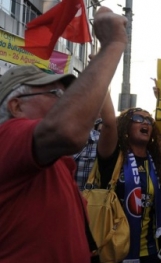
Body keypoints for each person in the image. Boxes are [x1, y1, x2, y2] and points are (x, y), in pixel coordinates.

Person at [0, 6, 127, 262]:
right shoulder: (7, 137)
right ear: (16, 105)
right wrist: (113, 45)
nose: (64, 103)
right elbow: (68, 129)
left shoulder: (51, 161)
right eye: (56, 95)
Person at [97, 107, 161, 262]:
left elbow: (158, 206)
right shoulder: (113, 157)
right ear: (126, 126)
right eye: (138, 119)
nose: (145, 123)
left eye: (149, 121)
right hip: (116, 249)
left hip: (149, 250)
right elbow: (109, 124)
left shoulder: (156, 162)